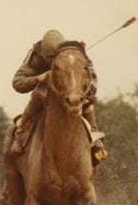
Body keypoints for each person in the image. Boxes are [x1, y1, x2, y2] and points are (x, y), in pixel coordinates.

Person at [11, 29, 106, 164]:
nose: (49, 62)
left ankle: (95, 140)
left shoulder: (76, 54)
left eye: (52, 58)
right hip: (45, 90)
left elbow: (92, 78)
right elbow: (17, 82)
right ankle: (21, 135)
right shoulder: (35, 55)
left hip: (70, 91)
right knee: (37, 95)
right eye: (47, 58)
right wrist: (38, 78)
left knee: (87, 105)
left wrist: (87, 93)